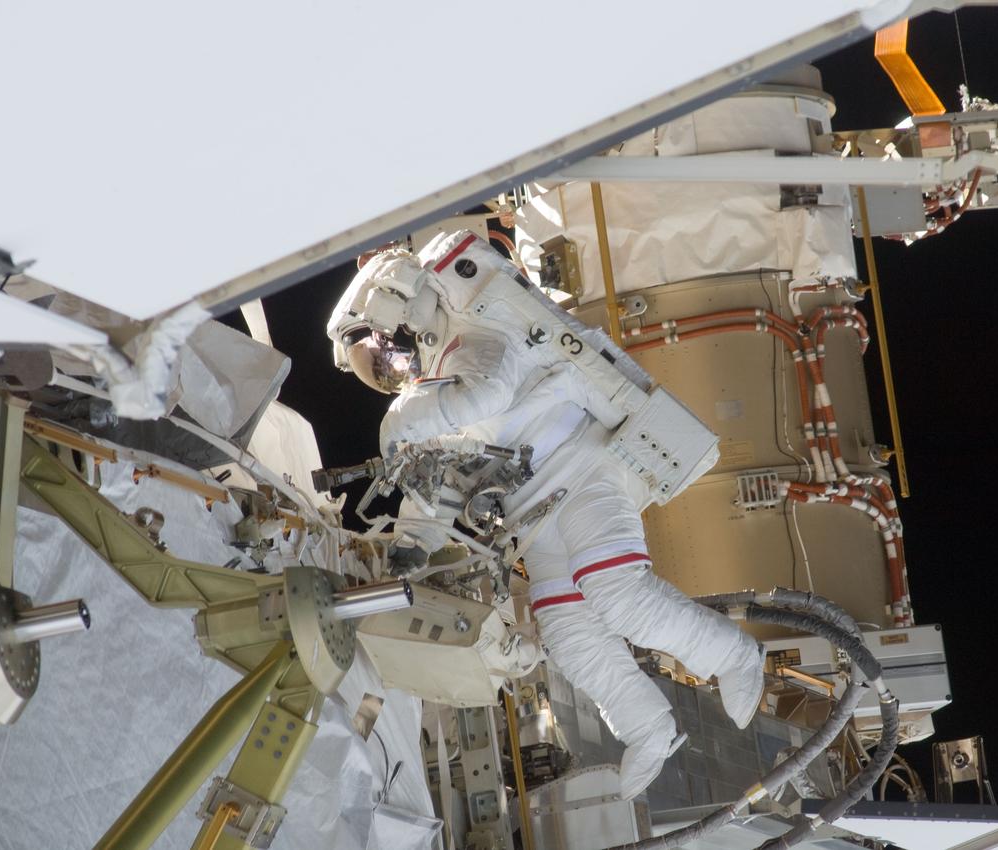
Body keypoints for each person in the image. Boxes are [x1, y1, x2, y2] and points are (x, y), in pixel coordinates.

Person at [327, 231, 764, 798]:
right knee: (568, 633)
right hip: (531, 509)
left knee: (615, 592)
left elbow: (485, 395)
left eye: (382, 354)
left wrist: (401, 419)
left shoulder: (479, 326)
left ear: (398, 305)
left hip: (584, 470)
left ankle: (733, 656)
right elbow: (446, 480)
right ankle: (648, 728)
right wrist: (415, 540)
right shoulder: (438, 378)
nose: (392, 369)